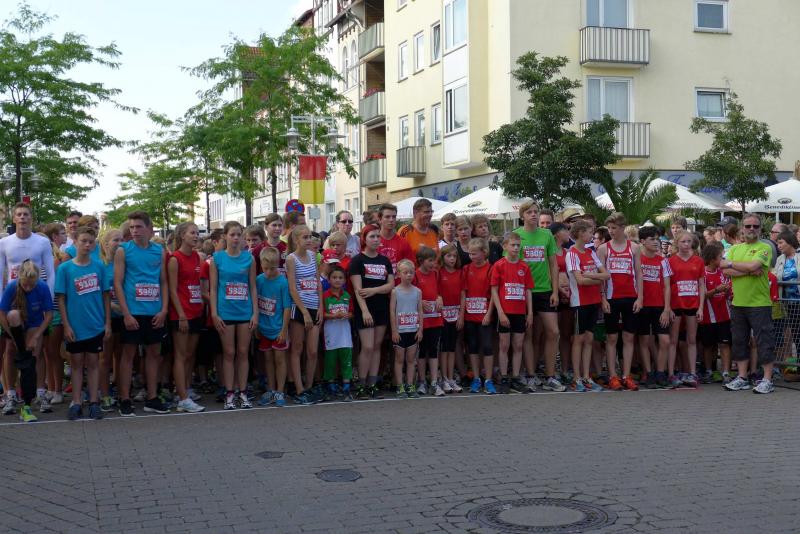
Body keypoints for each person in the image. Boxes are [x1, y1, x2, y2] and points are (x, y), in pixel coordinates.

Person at [114, 211, 169, 417]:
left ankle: (152, 398)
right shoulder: (123, 250)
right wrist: (126, 314)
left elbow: (163, 282)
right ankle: (124, 399)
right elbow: (117, 283)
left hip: (154, 311)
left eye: (138, 227)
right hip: (133, 311)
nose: (134, 231)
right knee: (128, 355)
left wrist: (164, 310)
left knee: (154, 354)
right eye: (131, 227)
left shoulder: (159, 251)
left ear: (149, 229)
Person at [55, 226, 111, 420]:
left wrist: (107, 323)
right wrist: (66, 325)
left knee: (94, 363)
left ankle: (94, 401)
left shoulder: (99, 267)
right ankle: (77, 402)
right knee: (76, 364)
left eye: (91, 242)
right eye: (83, 241)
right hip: (75, 326)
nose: (87, 245)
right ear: (76, 242)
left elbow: (106, 296)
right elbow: (61, 299)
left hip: (95, 325)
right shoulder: (65, 268)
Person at [722, 214, 777, 394]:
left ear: (760, 229)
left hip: (759, 304)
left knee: (764, 341)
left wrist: (734, 265)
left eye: (755, 226)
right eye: (748, 226)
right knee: (739, 341)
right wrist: (746, 269)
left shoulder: (765, 247)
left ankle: (767, 379)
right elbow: (725, 270)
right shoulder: (735, 249)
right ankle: (742, 377)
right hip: (738, 303)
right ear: (742, 228)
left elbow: (753, 266)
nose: (751, 229)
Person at [513, 201, 564, 393]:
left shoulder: (546, 235)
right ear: (522, 216)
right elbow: (510, 263)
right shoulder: (516, 235)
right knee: (528, 334)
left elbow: (553, 264)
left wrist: (555, 291)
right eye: (529, 212)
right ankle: (530, 375)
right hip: (523, 292)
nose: (533, 215)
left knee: (554, 332)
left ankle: (550, 376)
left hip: (544, 290)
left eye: (535, 211)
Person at [211, 221, 258, 410]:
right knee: (229, 353)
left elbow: (253, 287)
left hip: (245, 311)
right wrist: (214, 314)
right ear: (225, 236)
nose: (236, 238)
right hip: (225, 311)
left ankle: (243, 391)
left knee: (243, 352)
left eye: (239, 234)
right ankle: (229, 393)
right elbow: (213, 289)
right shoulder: (217, 258)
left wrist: (255, 313)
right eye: (232, 234)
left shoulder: (249, 258)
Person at [0, 260, 53, 421]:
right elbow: (2, 314)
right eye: (25, 285)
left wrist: (37, 336)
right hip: (15, 325)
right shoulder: (12, 287)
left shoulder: (42, 287)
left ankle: (34, 398)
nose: (28, 288)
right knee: (11, 350)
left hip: (34, 325)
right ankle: (11, 394)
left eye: (32, 285)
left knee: (32, 358)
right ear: (19, 279)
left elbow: (49, 315)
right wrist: (12, 337)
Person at [597, 213, 643, 391]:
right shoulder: (603, 249)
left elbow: (639, 273)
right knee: (611, 337)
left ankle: (626, 375)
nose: (611, 231)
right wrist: (602, 298)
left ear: (623, 228)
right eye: (609, 228)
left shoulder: (634, 248)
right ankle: (613, 376)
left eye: (614, 228)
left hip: (630, 296)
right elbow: (601, 276)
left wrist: (640, 297)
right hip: (611, 297)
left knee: (629, 337)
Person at [349, 224, 394, 399]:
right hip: (365, 309)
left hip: (381, 307)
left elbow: (390, 285)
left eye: (377, 236)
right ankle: (361, 385)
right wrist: (365, 311)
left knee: (376, 346)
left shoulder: (384, 260)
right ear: (364, 239)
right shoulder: (357, 261)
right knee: (367, 347)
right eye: (372, 237)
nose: (376, 240)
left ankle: (372, 384)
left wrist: (374, 290)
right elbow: (358, 290)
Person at [566, 220, 609, 392]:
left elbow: (606, 275)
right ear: (580, 233)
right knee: (579, 339)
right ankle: (576, 377)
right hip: (580, 302)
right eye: (590, 232)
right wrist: (597, 278)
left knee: (589, 338)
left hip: (594, 301)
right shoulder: (572, 254)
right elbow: (580, 280)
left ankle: (586, 376)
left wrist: (591, 276)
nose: (592, 235)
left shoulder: (591, 252)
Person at [167, 222, 205, 413]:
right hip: (181, 314)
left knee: (190, 355)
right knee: (181, 356)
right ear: (182, 235)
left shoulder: (197, 257)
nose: (196, 236)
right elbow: (172, 289)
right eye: (192, 233)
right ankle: (182, 397)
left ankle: (186, 389)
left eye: (197, 233)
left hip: (196, 311)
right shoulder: (175, 259)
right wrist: (181, 314)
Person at [491, 232, 533, 394]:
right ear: (505, 246)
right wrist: (500, 313)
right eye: (513, 245)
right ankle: (503, 377)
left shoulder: (524, 266)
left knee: (518, 345)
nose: (516, 248)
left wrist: (530, 313)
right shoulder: (499, 265)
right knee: (504, 345)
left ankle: (515, 378)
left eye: (518, 245)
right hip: (505, 311)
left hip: (520, 312)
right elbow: (494, 291)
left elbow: (528, 290)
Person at [286, 224, 323, 405]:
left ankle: (308, 386)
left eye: (310, 237)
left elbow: (317, 282)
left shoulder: (313, 256)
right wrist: (304, 312)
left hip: (314, 306)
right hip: (299, 308)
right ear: (296, 240)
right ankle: (299, 388)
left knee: (312, 351)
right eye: (305, 237)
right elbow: (292, 288)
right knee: (297, 348)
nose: (309, 240)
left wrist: (321, 307)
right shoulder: (291, 259)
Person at [667, 230, 705, 389]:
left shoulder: (698, 260)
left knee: (691, 339)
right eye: (683, 241)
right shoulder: (670, 261)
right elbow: (667, 285)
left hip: (692, 303)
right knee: (673, 340)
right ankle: (671, 373)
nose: (686, 244)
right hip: (675, 303)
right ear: (677, 243)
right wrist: (668, 307)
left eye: (689, 241)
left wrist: (701, 307)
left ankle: (692, 373)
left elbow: (701, 284)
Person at [637, 226, 673, 389]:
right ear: (642, 241)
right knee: (644, 340)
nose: (656, 242)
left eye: (657, 239)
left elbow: (667, 286)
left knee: (665, 340)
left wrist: (667, 309)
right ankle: (649, 373)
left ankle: (660, 372)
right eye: (652, 239)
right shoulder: (637, 259)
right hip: (642, 305)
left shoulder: (663, 261)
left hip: (659, 306)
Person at [256, 247, 291, 408]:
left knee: (279, 359)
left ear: (278, 264)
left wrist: (284, 330)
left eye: (272, 268)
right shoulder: (259, 280)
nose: (269, 272)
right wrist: (257, 326)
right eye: (265, 268)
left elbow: (287, 307)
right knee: (268, 359)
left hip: (278, 328)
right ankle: (270, 389)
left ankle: (280, 391)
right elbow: (256, 303)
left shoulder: (282, 282)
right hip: (264, 327)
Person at [462, 237, 495, 394]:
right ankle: (476, 378)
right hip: (470, 316)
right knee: (473, 347)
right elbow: (464, 293)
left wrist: (489, 314)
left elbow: (494, 294)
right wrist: (462, 315)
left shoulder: (491, 269)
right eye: (470, 254)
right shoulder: (466, 269)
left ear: (484, 252)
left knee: (487, 347)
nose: (471, 256)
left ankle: (488, 379)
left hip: (485, 315)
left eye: (474, 253)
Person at [42, 223, 68, 407]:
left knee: (54, 352)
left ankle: (57, 389)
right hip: (40, 313)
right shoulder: (36, 264)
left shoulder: (57, 262)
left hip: (56, 311)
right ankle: (51, 388)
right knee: (46, 353)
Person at [699, 242, 732, 384]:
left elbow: (729, 293)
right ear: (712, 259)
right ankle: (709, 371)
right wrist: (716, 290)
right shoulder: (703, 274)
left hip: (724, 316)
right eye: (720, 257)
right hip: (708, 317)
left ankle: (726, 372)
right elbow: (701, 295)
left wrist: (728, 292)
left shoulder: (723, 272)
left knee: (724, 344)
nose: (722, 259)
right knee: (708, 346)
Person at [99, 229, 123, 412]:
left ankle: (122, 392)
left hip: (123, 317)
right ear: (106, 244)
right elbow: (97, 293)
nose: (120, 243)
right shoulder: (100, 265)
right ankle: (105, 394)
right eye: (116, 240)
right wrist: (113, 306)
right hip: (105, 317)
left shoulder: (124, 263)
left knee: (121, 357)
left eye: (122, 240)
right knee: (105, 358)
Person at [414, 246, 444, 396]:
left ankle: (433, 381)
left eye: (434, 260)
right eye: (430, 260)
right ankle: (421, 382)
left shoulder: (436, 274)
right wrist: (420, 301)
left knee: (433, 350)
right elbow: (410, 293)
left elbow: (439, 292)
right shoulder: (415, 274)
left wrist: (439, 298)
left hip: (435, 318)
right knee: (421, 351)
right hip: (421, 320)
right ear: (421, 261)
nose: (433, 263)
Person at [390, 259, 422, 398]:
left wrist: (420, 330)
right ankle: (400, 386)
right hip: (400, 331)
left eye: (411, 272)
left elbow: (420, 311)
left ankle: (410, 385)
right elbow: (392, 311)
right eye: (405, 272)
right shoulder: (395, 291)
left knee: (411, 360)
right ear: (399, 274)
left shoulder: (417, 291)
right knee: (399, 359)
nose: (409, 275)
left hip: (413, 330)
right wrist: (394, 330)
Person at [321, 264, 354, 401]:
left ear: (344, 280)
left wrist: (347, 315)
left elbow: (351, 312)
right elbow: (322, 314)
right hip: (330, 334)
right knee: (330, 361)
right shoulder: (324, 295)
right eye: (334, 277)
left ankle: (346, 388)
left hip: (345, 334)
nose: (337, 280)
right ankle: (331, 388)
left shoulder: (347, 295)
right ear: (329, 280)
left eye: (340, 278)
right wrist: (334, 315)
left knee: (346, 360)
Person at [438, 243, 463, 393]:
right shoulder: (439, 273)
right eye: (449, 256)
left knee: (452, 347)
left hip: (456, 314)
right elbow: (436, 293)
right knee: (444, 347)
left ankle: (450, 377)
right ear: (443, 257)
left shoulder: (460, 273)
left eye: (454, 256)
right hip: (443, 315)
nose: (452, 259)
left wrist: (461, 316)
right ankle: (444, 378)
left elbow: (463, 295)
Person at [377, 203, 413, 277]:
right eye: (387, 217)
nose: (391, 220)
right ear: (380, 219)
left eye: (394, 217)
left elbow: (411, 267)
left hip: (399, 283)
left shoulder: (403, 242)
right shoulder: (372, 242)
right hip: (378, 283)